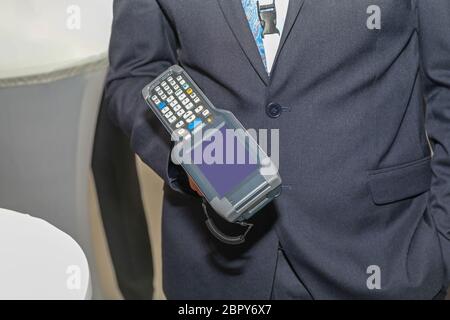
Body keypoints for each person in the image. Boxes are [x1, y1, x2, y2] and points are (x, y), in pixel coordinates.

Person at [104, 0, 450, 299]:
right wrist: (190, 160)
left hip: (381, 255)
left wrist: (442, 244)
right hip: (217, 264)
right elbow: (136, 71)